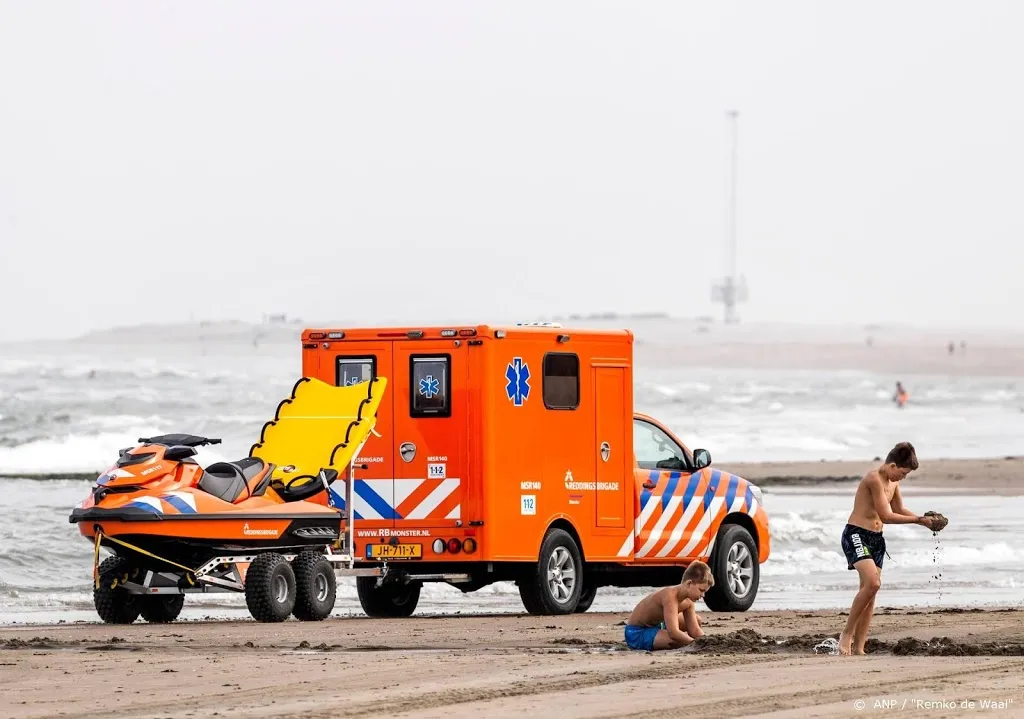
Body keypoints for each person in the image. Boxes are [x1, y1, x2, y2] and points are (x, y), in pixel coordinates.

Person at [837, 442, 945, 655]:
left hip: (877, 539)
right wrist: (917, 520)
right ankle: (846, 635)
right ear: (893, 465)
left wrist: (925, 520)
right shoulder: (874, 479)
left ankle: (859, 647)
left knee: (870, 592)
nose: (902, 478)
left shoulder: (893, 483)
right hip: (856, 535)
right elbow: (886, 516)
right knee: (873, 583)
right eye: (903, 473)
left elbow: (898, 509)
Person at [624, 560, 712, 651]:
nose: (703, 595)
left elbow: (694, 630)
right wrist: (697, 644)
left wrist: (708, 642)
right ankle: (658, 637)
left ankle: (661, 634)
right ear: (689, 583)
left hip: (659, 624)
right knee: (676, 641)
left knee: (697, 620)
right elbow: (673, 633)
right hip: (638, 631)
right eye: (701, 590)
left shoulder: (689, 601)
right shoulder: (670, 595)